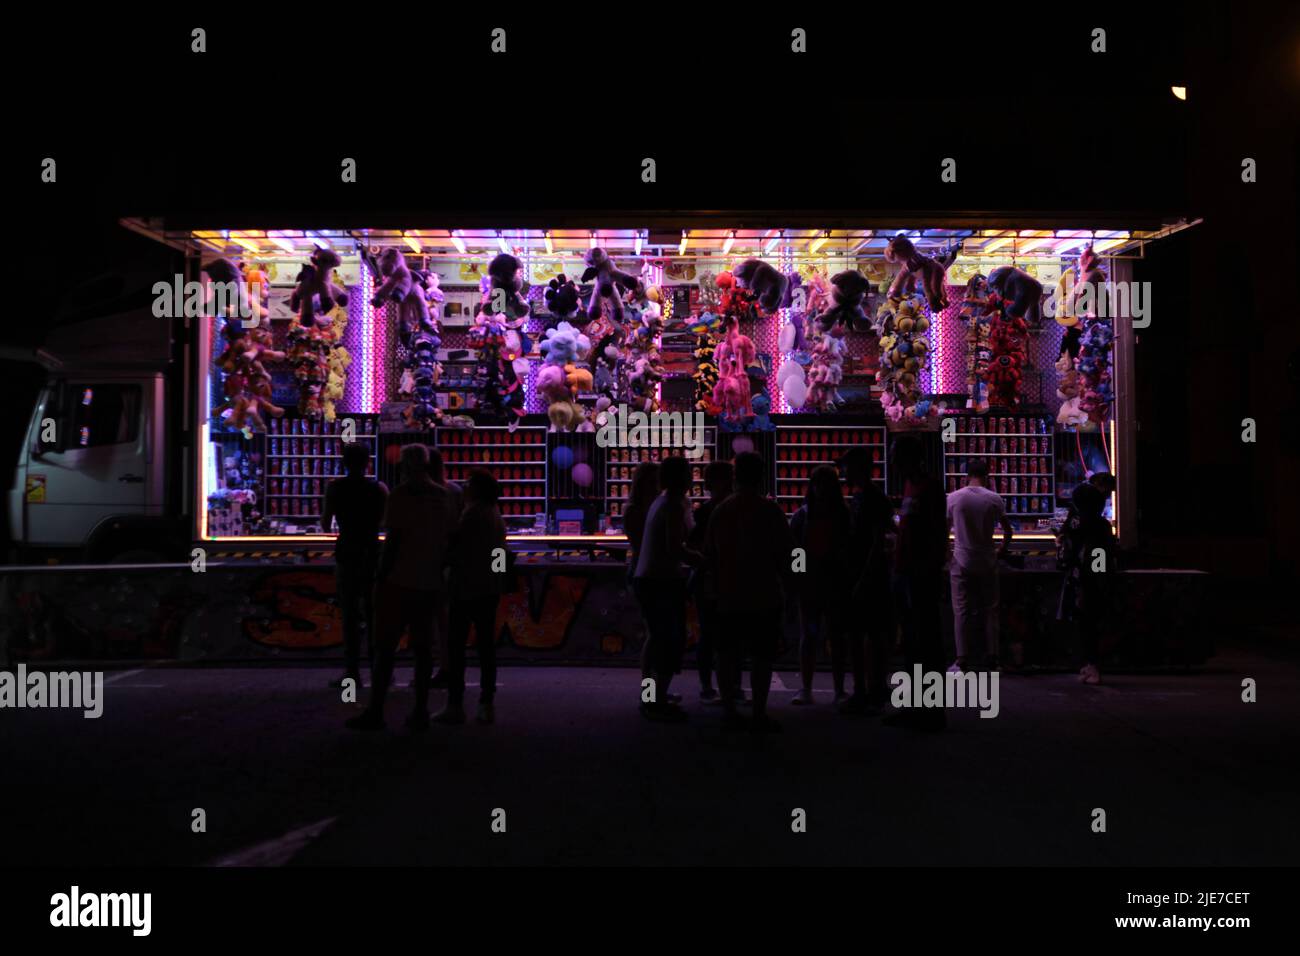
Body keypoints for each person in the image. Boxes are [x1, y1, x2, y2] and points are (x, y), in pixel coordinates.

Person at [346, 443, 454, 732]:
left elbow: (393, 541)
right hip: (429, 581)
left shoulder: (400, 495)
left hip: (398, 581)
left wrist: (380, 577)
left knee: (385, 648)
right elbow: (448, 541)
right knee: (422, 650)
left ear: (405, 466)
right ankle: (420, 711)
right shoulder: (442, 496)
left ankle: (376, 710)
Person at [704, 451, 796, 733]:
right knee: (761, 657)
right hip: (763, 593)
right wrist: (795, 580)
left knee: (727, 655)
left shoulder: (722, 510)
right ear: (761, 476)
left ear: (736, 477)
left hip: (729, 593)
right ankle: (758, 712)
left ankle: (730, 711)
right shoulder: (771, 511)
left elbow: (709, 555)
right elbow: (789, 555)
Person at [885, 437, 948, 730]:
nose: (892, 461)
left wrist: (928, 570)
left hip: (920, 576)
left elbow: (935, 535)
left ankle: (931, 711)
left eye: (896, 455)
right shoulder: (910, 488)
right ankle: (913, 706)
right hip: (906, 574)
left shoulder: (930, 488)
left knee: (926, 644)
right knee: (912, 644)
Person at [633, 455, 700, 721]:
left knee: (655, 640)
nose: (692, 477)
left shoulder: (665, 501)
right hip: (660, 581)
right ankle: (655, 700)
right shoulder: (671, 504)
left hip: (649, 578)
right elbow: (676, 548)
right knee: (669, 641)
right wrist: (703, 561)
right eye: (688, 473)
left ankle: (651, 696)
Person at [440, 469, 508, 724]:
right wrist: (496, 582)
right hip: (487, 589)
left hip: (466, 588)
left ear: (477, 489)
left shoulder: (471, 514)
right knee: (486, 648)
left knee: (457, 646)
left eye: (468, 484)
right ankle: (486, 701)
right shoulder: (495, 515)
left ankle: (455, 705)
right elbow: (499, 556)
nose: (465, 487)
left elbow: (454, 548)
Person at [321, 442, 388, 689]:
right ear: (367, 462)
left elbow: (326, 525)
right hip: (371, 552)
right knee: (375, 616)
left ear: (344, 463)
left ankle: (352, 674)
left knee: (349, 616)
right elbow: (386, 521)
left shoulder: (335, 488)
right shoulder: (378, 488)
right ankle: (379, 672)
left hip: (347, 551)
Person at [789, 465, 853, 706]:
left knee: (832, 636)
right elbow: (795, 551)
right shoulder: (809, 515)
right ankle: (812, 687)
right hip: (816, 583)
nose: (820, 489)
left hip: (830, 582)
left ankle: (832, 689)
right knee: (813, 635)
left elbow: (796, 551)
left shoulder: (809, 515)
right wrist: (798, 579)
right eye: (817, 484)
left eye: (824, 484)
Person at [839, 446, 895, 714]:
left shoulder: (869, 499)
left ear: (859, 469)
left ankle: (866, 690)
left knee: (864, 634)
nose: (843, 472)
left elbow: (875, 541)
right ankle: (873, 687)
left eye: (846, 467)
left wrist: (862, 577)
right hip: (866, 574)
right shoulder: (865, 497)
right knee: (871, 634)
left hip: (866, 575)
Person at [946, 458, 1014, 673]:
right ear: (988, 476)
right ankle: (993, 659)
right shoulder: (994, 499)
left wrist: (947, 554)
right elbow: (1008, 530)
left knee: (961, 610)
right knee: (991, 610)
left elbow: (944, 529)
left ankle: (962, 660)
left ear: (967, 475)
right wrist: (1001, 549)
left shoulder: (954, 498)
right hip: (987, 559)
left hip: (961, 559)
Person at [1058, 471, 1117, 684]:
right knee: (1090, 623)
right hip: (1089, 581)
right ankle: (1090, 664)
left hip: (1080, 580)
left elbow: (1068, 549)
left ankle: (1090, 664)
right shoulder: (1100, 527)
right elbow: (1100, 560)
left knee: (1085, 624)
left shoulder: (1075, 521)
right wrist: (1097, 581)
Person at [687, 460, 735, 702]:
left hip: (707, 580)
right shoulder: (735, 510)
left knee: (709, 635)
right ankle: (731, 689)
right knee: (728, 636)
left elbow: (689, 546)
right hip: (727, 579)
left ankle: (708, 687)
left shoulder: (702, 512)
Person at [427, 449, 464, 690]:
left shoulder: (420, 494)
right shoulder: (455, 491)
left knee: (429, 621)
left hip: (426, 563)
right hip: (451, 562)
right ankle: (448, 668)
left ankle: (432, 670)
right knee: (446, 622)